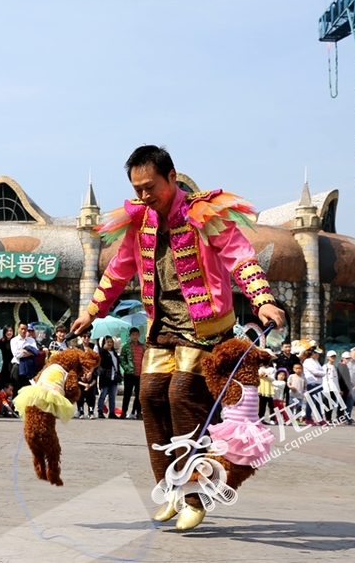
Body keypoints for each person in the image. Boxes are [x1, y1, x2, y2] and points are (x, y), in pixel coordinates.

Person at [70, 145, 284, 530]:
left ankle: (194, 496)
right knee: (150, 397)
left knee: (181, 394)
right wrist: (91, 312)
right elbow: (118, 270)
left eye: (150, 186)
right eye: (137, 189)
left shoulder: (206, 214)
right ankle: (169, 489)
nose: (143, 196)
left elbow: (240, 256)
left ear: (172, 177)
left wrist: (262, 300)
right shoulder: (139, 222)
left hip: (204, 326)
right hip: (162, 326)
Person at [118, 327, 145, 420]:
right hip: (129, 374)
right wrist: (126, 367)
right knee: (127, 394)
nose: (135, 336)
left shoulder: (142, 347)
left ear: (139, 335)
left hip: (140, 374)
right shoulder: (126, 346)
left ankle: (138, 412)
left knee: (139, 395)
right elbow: (121, 359)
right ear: (130, 336)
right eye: (133, 335)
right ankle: (124, 412)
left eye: (137, 335)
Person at [97, 336, 120, 418]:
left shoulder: (114, 353)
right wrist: (103, 349)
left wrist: (119, 375)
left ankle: (112, 412)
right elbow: (99, 358)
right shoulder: (102, 352)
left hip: (114, 377)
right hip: (105, 377)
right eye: (108, 342)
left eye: (111, 342)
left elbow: (117, 365)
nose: (109, 343)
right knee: (103, 394)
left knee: (112, 396)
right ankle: (100, 411)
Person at [301, 346, 325, 425]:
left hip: (318, 384)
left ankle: (320, 418)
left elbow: (322, 371)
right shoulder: (308, 361)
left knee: (319, 402)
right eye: (317, 353)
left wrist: (321, 373)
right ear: (313, 353)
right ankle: (308, 418)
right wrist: (321, 373)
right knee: (311, 402)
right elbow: (315, 372)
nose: (318, 355)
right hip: (312, 383)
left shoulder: (316, 361)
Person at [10, 322, 37, 392]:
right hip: (17, 366)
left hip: (29, 367)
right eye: (22, 329)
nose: (23, 331)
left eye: (25, 329)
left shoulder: (31, 340)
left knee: (27, 390)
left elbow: (35, 352)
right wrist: (29, 352)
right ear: (18, 329)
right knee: (17, 390)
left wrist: (23, 351)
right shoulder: (14, 340)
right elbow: (16, 354)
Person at [322, 351, 343, 423]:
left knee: (332, 404)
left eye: (334, 356)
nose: (333, 358)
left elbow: (336, 379)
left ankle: (330, 418)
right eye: (331, 356)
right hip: (327, 388)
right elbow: (324, 379)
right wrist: (326, 389)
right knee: (327, 404)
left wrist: (339, 390)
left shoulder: (334, 367)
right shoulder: (325, 367)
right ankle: (327, 418)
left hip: (334, 388)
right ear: (328, 357)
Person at [257, 356, 276, 424]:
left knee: (271, 405)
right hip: (261, 388)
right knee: (262, 404)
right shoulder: (259, 369)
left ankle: (272, 419)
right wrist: (260, 374)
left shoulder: (272, 369)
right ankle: (261, 418)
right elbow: (256, 377)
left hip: (269, 388)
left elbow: (273, 379)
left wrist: (266, 376)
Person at [338, 352, 354, 421]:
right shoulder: (341, 366)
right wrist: (341, 389)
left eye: (349, 358)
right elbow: (341, 379)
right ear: (343, 358)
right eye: (347, 358)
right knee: (341, 404)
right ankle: (339, 418)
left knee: (344, 404)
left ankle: (342, 417)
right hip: (342, 388)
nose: (348, 360)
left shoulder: (345, 366)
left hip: (346, 388)